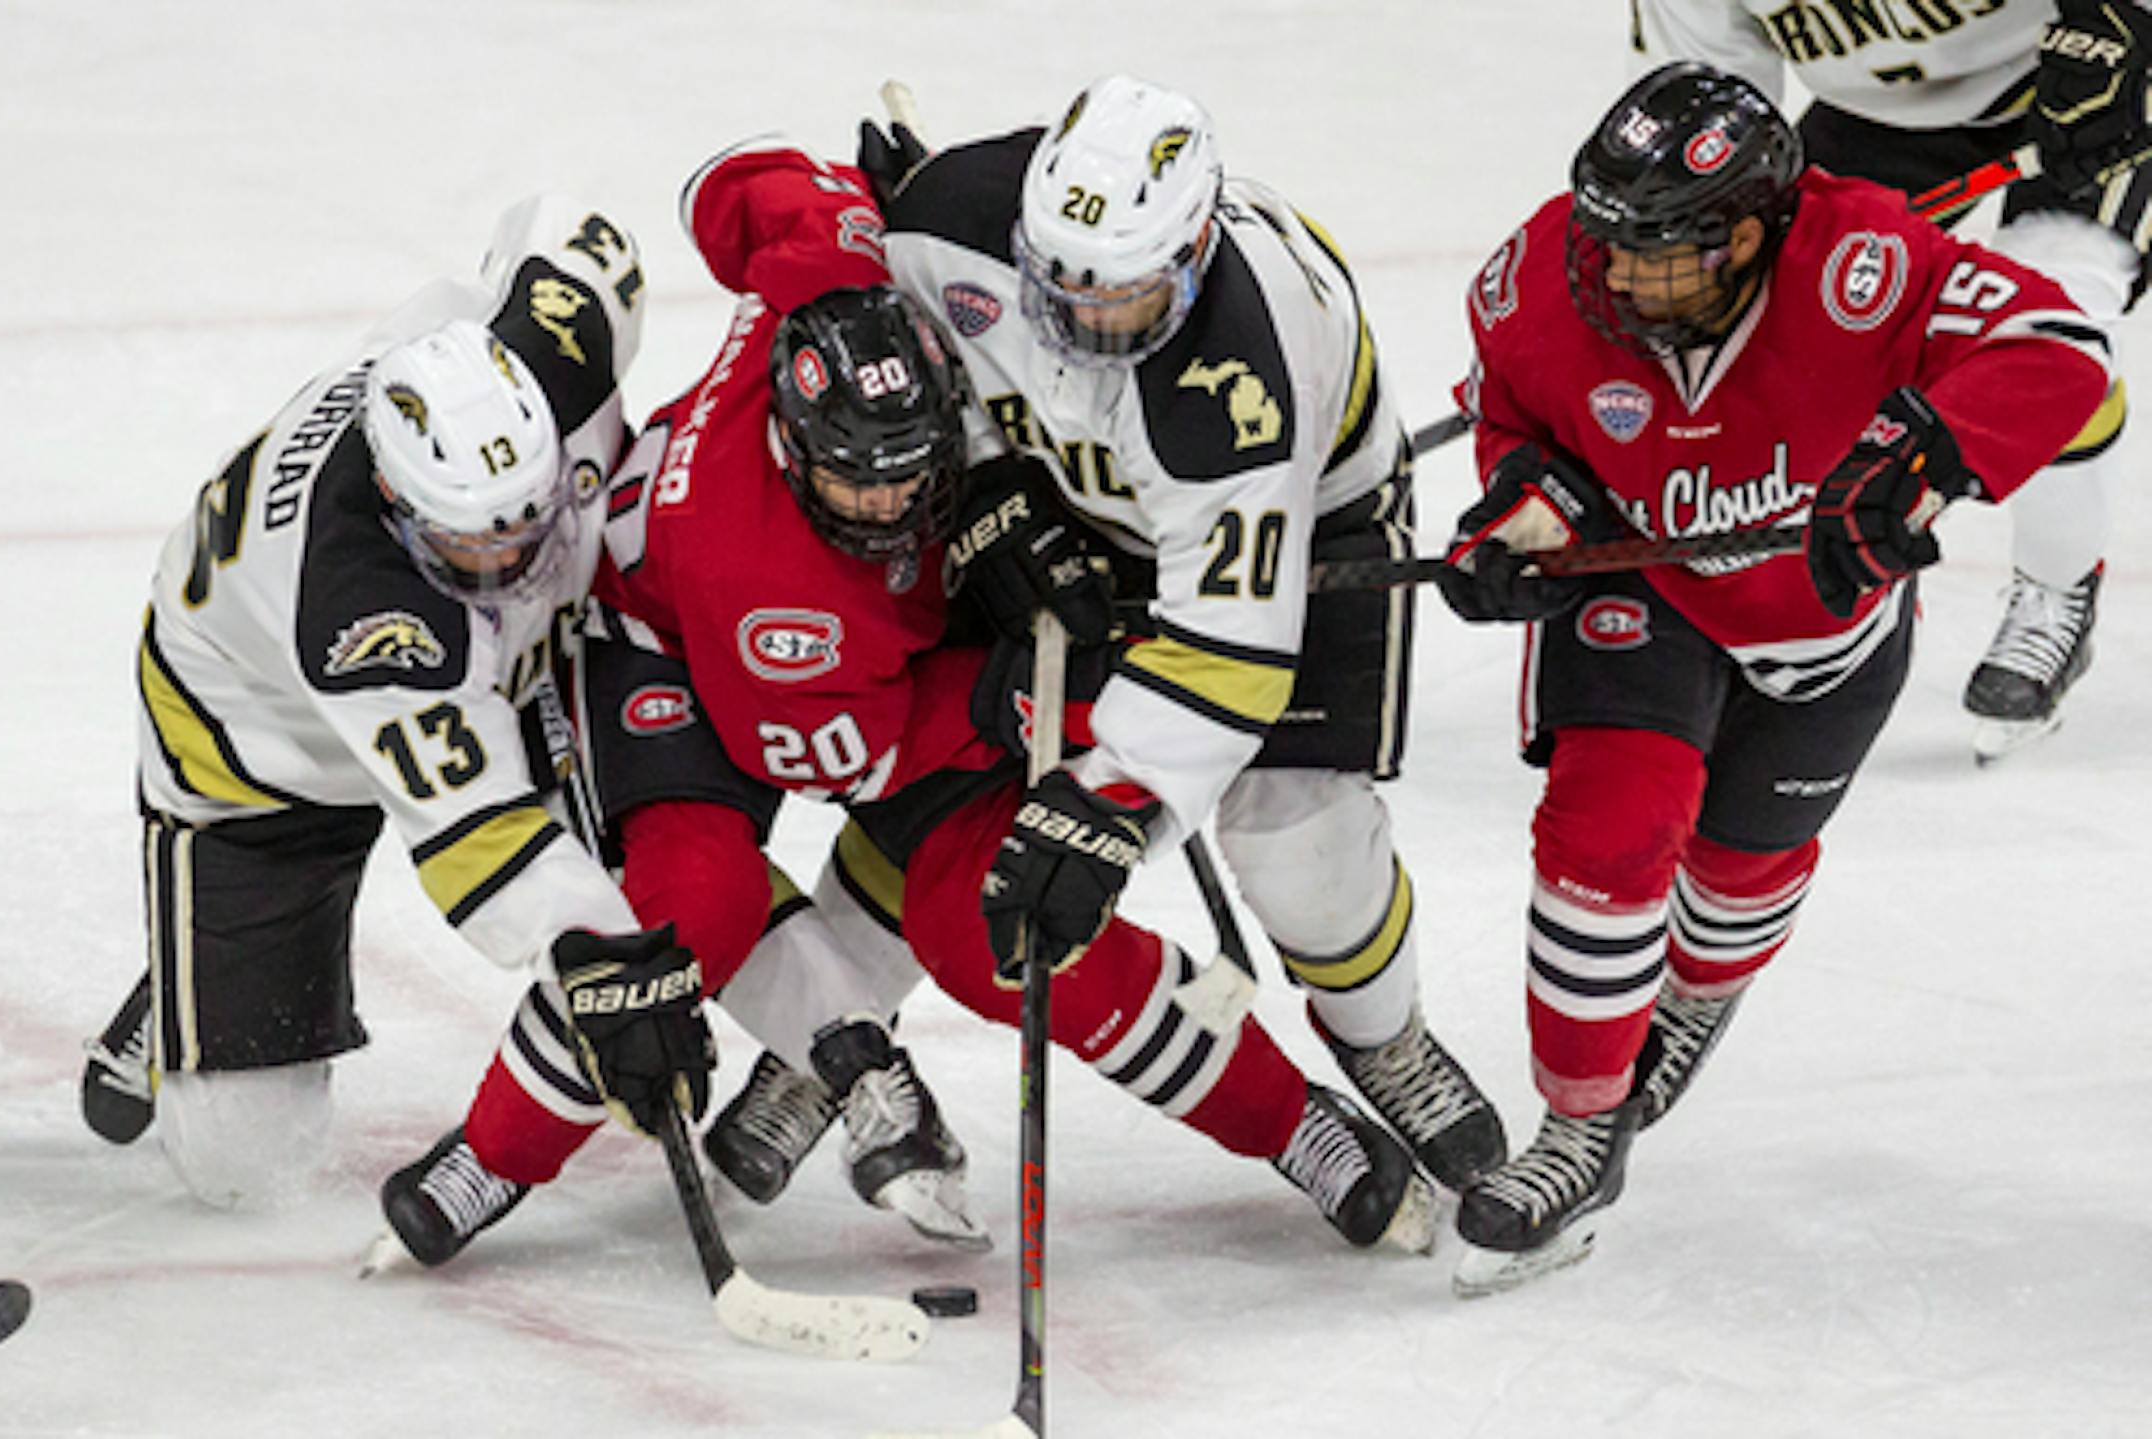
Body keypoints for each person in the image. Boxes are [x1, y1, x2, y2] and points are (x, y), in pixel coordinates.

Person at [552, 134, 1439, 1255]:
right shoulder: (763, 573)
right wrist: (1021, 699)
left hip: (917, 634)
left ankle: (1298, 1110)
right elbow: (857, 760)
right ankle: (832, 1047)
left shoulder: (867, 286)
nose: (888, 506)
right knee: (963, 910)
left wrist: (859, 227)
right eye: (856, 484)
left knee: (1023, 918)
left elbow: (732, 184)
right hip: (708, 663)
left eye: (914, 474)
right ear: (791, 443)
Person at [1431, 61, 2108, 1295]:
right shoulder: (1537, 279)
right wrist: (1518, 513)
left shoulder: (1866, 262)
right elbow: (1516, 427)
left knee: (1742, 865)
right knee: (1609, 829)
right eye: (1610, 240)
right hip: (1642, 596)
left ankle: (1696, 990)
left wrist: (1924, 456)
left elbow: (2062, 348)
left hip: (1824, 627)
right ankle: (1581, 1125)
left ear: (1749, 232)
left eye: (1661, 252)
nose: (1621, 275)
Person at [853, 74, 1508, 1196]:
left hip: (1303, 520)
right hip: (1080, 497)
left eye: (1122, 302)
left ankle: (1381, 1033)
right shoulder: (946, 225)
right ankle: (829, 1008)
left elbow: (1226, 645)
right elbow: (915, 370)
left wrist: (1111, 807)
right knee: (939, 749)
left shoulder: (1239, 381)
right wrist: (988, 489)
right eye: (1058, 287)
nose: (1082, 323)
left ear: (1195, 251)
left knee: (1295, 834)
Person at [73, 194, 688, 1209]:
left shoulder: (543, 362)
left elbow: (579, 238)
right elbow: (479, 837)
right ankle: (182, 983)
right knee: (242, 1165)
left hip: (462, 680)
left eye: (526, 522)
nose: (509, 560)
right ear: (401, 506)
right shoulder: (364, 613)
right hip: (254, 753)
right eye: (472, 545)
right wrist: (608, 968)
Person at [1632, 0, 2147, 760]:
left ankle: (2057, 583)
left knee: (2052, 339)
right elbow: (1709, 113)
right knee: (1769, 327)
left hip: (2080, 75)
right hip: (1886, 114)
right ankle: (1760, 597)